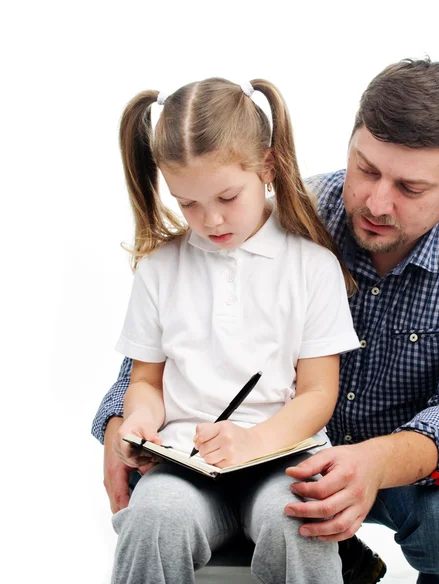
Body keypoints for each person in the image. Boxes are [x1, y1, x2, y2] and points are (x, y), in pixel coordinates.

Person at [94, 58, 439, 584]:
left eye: (409, 188)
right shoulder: (295, 214)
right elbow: (163, 350)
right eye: (366, 169)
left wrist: (370, 463)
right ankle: (333, 554)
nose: (375, 202)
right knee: (191, 513)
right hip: (258, 456)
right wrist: (119, 427)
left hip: (392, 459)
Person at [106, 76, 367, 584]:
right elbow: (145, 381)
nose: (211, 219)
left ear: (266, 166)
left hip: (281, 461)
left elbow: (318, 394)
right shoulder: (160, 269)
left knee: (300, 523)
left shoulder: (312, 267)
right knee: (153, 519)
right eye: (189, 204)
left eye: (227, 195)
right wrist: (138, 421)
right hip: (185, 463)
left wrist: (252, 444)